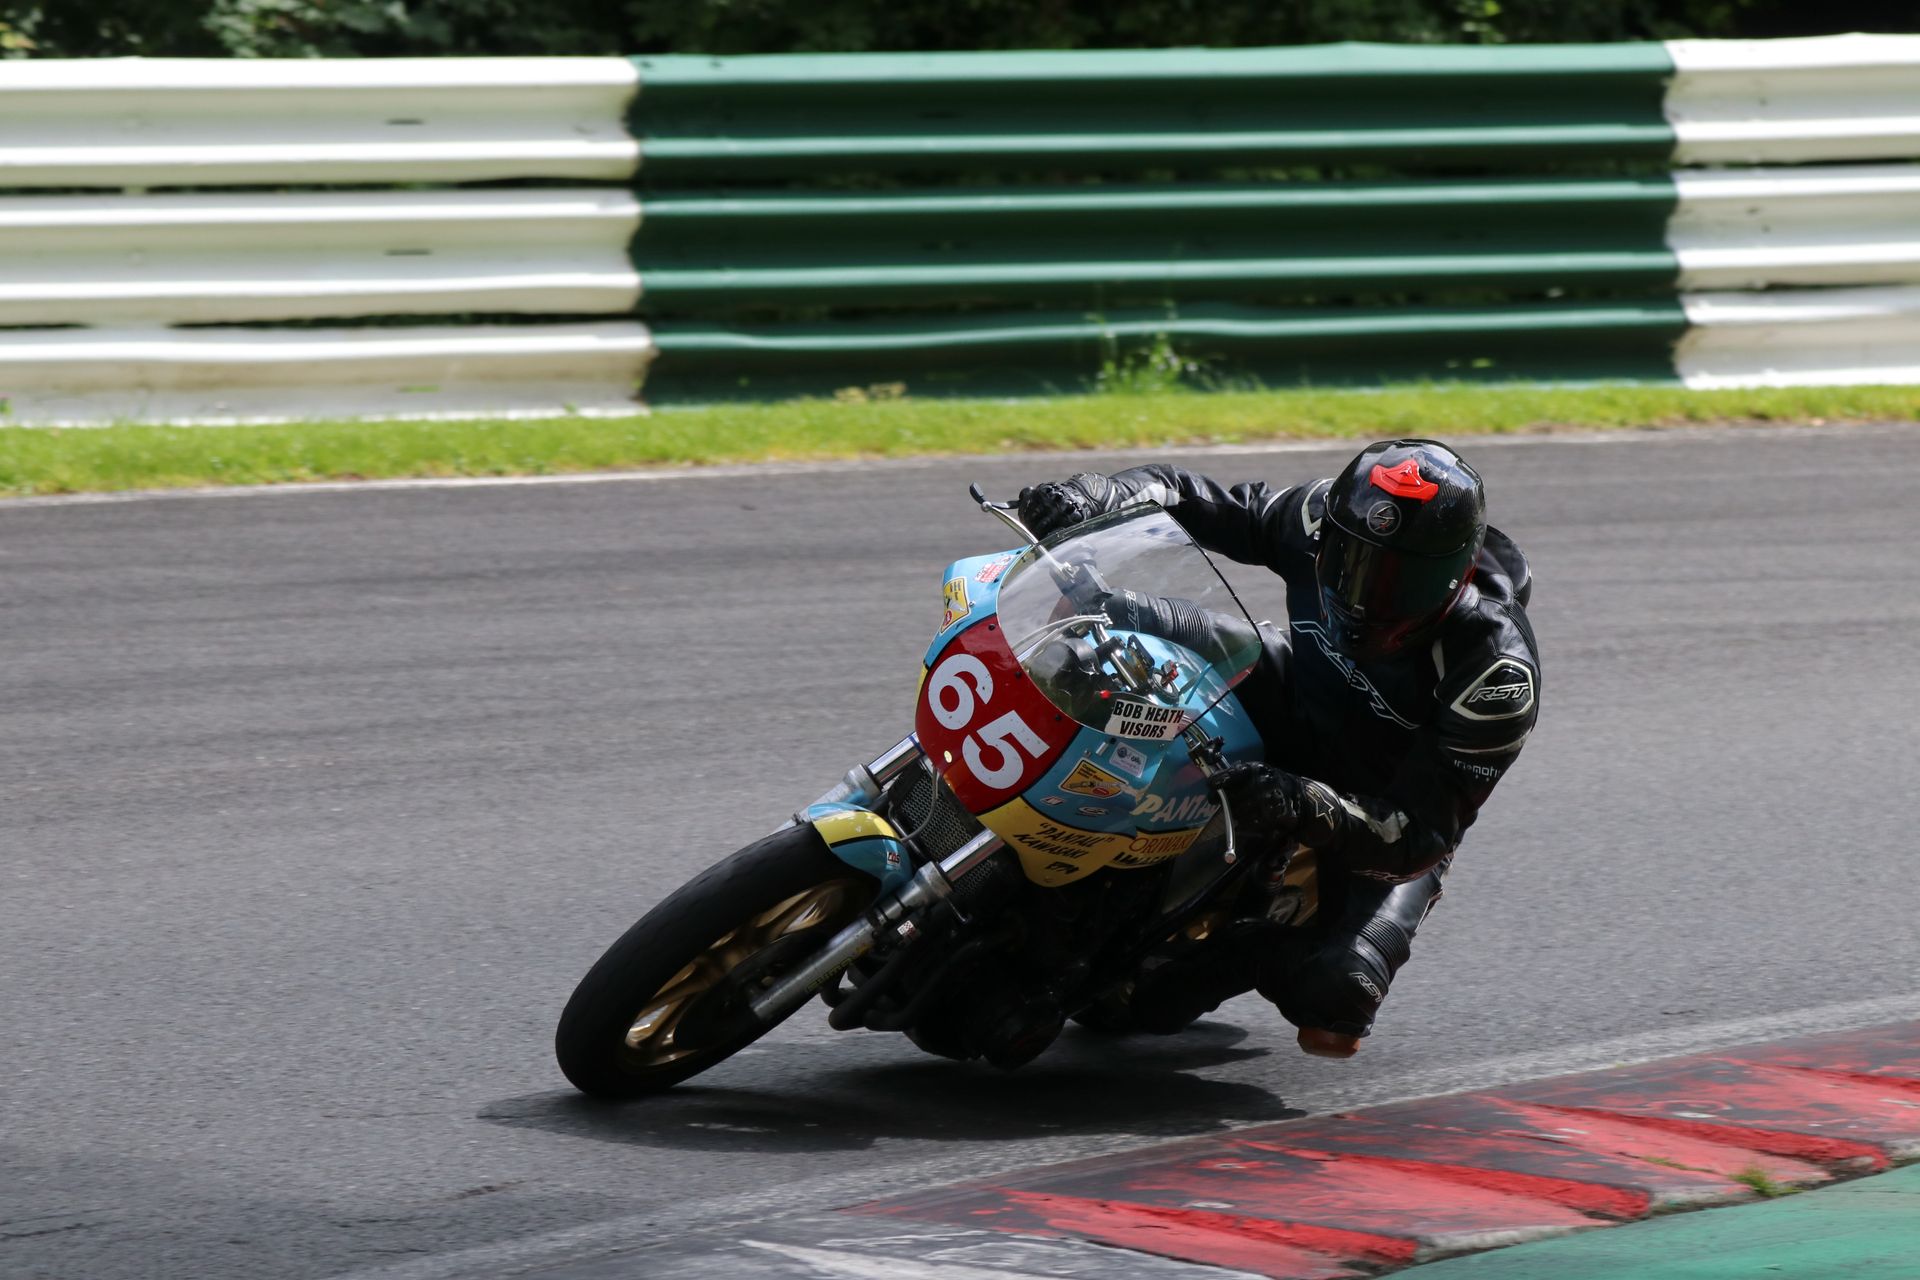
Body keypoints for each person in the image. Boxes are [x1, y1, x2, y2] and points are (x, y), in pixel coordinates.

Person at [1016, 439, 1539, 1058]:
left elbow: (1421, 834)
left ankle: (1247, 942)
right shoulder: (1317, 516)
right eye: (1350, 559)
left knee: (1337, 1000)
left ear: (1456, 575)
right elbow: (1187, 495)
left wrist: (1307, 803)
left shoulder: (1494, 672)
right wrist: (1098, 495)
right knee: (1104, 616)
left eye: (1401, 581)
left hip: (1377, 808)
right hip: (1291, 690)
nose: (1364, 592)